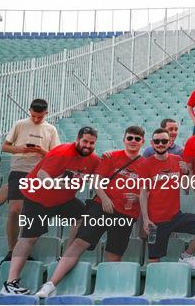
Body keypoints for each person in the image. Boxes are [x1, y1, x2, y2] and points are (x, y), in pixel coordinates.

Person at [35, 126, 146, 298]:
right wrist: (105, 198)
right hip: (101, 206)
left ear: (142, 142)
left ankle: (112, 293)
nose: (133, 141)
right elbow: (96, 180)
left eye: (137, 139)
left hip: (126, 214)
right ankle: (51, 284)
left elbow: (147, 191)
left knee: (114, 254)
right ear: (124, 139)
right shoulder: (112, 156)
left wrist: (137, 197)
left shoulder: (145, 164)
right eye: (130, 138)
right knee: (79, 243)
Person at [1, 127, 100, 295]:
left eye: (92, 143)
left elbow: (101, 174)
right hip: (37, 198)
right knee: (28, 238)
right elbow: (41, 174)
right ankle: (10, 283)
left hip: (63, 200)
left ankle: (66, 254)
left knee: (82, 216)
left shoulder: (93, 160)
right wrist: (56, 184)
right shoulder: (62, 152)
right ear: (77, 139)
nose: (88, 146)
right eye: (85, 141)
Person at [0, 99, 60, 263]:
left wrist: (41, 151)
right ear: (29, 111)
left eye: (40, 117)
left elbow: (56, 156)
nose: (36, 119)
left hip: (38, 173)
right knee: (15, 210)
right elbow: (5, 147)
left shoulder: (51, 129)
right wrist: (21, 149)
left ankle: (22, 251)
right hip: (19, 169)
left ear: (46, 113)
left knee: (28, 213)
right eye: (33, 116)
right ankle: (11, 250)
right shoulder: (20, 124)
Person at [139, 128, 195, 269]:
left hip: (175, 216)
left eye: (164, 141)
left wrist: (187, 172)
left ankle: (186, 256)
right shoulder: (145, 165)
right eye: (157, 141)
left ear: (169, 143)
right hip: (156, 222)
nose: (160, 144)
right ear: (152, 143)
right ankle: (154, 289)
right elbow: (143, 193)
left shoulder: (178, 160)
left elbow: (185, 187)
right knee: (154, 262)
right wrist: (146, 219)